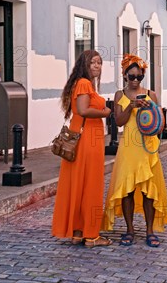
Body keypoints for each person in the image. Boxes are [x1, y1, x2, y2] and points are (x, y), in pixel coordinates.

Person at [102, 54, 167, 247]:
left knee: (149, 191)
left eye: (139, 77)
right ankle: (129, 230)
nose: (135, 80)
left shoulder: (151, 94)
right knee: (127, 190)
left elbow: (160, 123)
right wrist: (131, 106)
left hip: (147, 148)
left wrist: (151, 110)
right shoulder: (119, 95)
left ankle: (149, 231)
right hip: (128, 148)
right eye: (131, 76)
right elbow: (120, 121)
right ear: (124, 75)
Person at [52, 50, 112, 247]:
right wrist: (106, 111)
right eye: (93, 62)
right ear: (84, 65)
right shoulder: (85, 83)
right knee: (91, 185)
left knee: (79, 184)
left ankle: (78, 231)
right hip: (88, 139)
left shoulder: (81, 83)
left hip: (82, 135)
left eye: (99, 63)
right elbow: (85, 110)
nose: (97, 66)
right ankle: (92, 235)